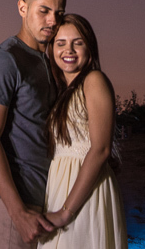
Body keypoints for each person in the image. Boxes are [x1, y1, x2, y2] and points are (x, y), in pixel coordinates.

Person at [0, 0, 67, 248]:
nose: (52, 21)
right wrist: (17, 213)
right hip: (13, 205)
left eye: (59, 13)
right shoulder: (4, 60)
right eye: (44, 11)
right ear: (22, 8)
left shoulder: (53, 62)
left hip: (48, 202)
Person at [40, 14, 127, 248]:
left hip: (84, 192)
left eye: (77, 42)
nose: (68, 50)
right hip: (61, 189)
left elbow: (100, 149)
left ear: (90, 46)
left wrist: (66, 212)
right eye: (60, 43)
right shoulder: (62, 93)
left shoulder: (94, 80)